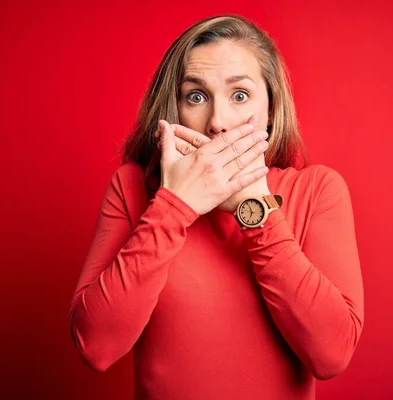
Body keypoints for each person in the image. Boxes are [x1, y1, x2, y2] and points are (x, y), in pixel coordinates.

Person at [69, 14, 364, 400]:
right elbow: (95, 346)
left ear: (271, 111)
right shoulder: (131, 189)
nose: (217, 122)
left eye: (239, 95)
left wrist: (255, 208)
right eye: (196, 96)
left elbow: (331, 355)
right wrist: (175, 205)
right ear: (173, 110)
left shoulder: (318, 191)